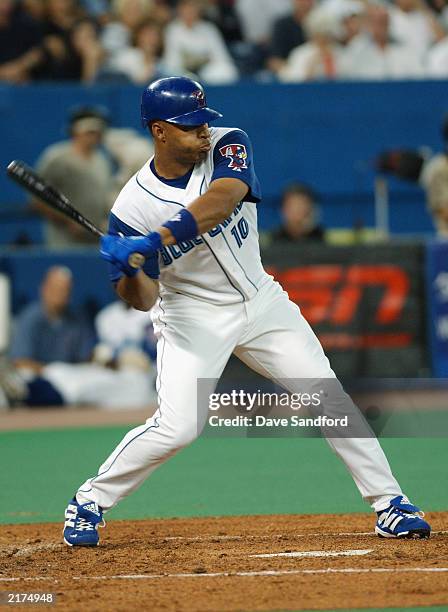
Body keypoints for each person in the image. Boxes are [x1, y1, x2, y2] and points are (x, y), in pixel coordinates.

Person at [63, 76, 431, 547]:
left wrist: (154, 241)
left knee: (329, 397)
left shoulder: (227, 143)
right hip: (191, 315)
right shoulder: (132, 207)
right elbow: (143, 299)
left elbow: (223, 198)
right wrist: (132, 268)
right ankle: (89, 499)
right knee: (178, 428)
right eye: (189, 125)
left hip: (260, 298)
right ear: (159, 131)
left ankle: (390, 504)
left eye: (202, 121)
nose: (202, 131)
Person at [4, 267, 156, 409]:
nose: (61, 295)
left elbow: (88, 359)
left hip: (72, 375)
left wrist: (107, 360)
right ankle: (23, 395)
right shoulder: (31, 318)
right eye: (56, 290)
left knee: (110, 381)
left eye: (65, 290)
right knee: (29, 376)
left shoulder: (76, 318)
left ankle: (30, 396)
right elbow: (19, 362)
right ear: (44, 289)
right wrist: (51, 371)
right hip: (41, 374)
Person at [34, 106, 113, 248]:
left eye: (97, 133)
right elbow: (38, 200)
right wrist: (69, 221)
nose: (94, 137)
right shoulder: (57, 157)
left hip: (96, 241)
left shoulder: (102, 161)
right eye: (90, 132)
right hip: (63, 242)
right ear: (75, 131)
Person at [341, 4, 425, 79]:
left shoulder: (404, 48)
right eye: (377, 22)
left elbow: (418, 76)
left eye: (384, 21)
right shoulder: (355, 50)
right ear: (368, 24)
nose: (381, 27)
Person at [163, 0, 238, 84]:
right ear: (180, 10)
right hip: (183, 72)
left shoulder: (209, 29)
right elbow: (172, 61)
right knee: (177, 75)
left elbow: (221, 57)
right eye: (186, 9)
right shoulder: (172, 29)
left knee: (227, 70)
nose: (189, 12)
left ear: (198, 11)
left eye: (192, 9)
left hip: (207, 72)